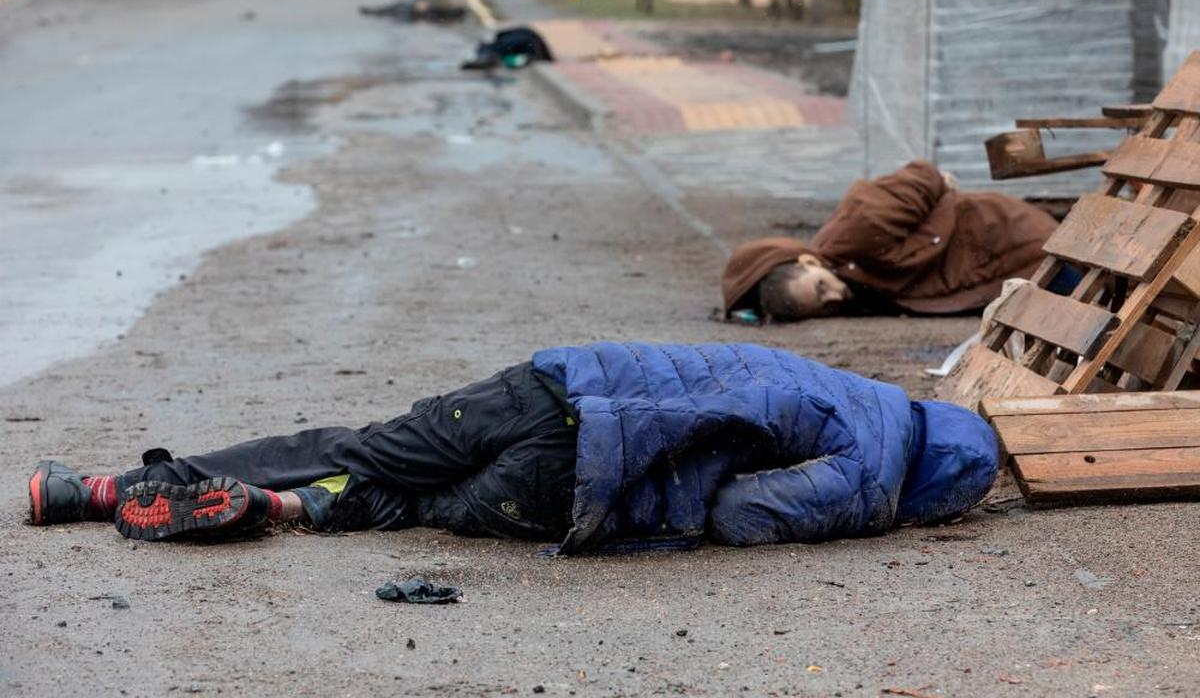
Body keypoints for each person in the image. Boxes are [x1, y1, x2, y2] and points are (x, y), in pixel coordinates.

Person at [28, 342, 999, 553]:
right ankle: (284, 511)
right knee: (409, 508)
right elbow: (746, 512)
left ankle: (95, 485)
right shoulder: (876, 477)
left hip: (547, 382)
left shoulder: (861, 388)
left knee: (358, 444)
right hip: (575, 474)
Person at [722, 160, 1065, 323]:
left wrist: (943, 189)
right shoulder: (850, 280)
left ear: (809, 262)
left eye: (821, 287)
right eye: (822, 305)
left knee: (1092, 305)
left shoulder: (853, 231)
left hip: (1009, 238)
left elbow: (922, 175)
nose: (835, 297)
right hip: (997, 274)